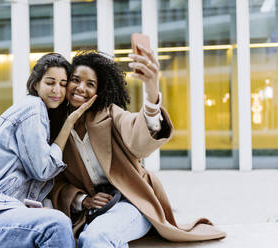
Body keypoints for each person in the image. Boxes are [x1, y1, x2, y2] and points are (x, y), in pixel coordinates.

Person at [51, 48, 226, 247]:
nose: (81, 88)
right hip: (90, 212)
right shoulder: (57, 129)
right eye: (75, 80)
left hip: (131, 201)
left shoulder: (111, 115)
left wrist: (152, 96)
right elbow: (55, 181)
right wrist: (83, 199)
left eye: (90, 84)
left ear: (99, 91)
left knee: (96, 237)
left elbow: (137, 136)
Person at [0, 53, 96, 248]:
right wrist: (69, 123)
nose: (57, 90)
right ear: (36, 84)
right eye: (50, 82)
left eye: (62, 83)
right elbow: (42, 169)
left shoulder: (40, 114)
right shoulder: (33, 108)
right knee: (55, 225)